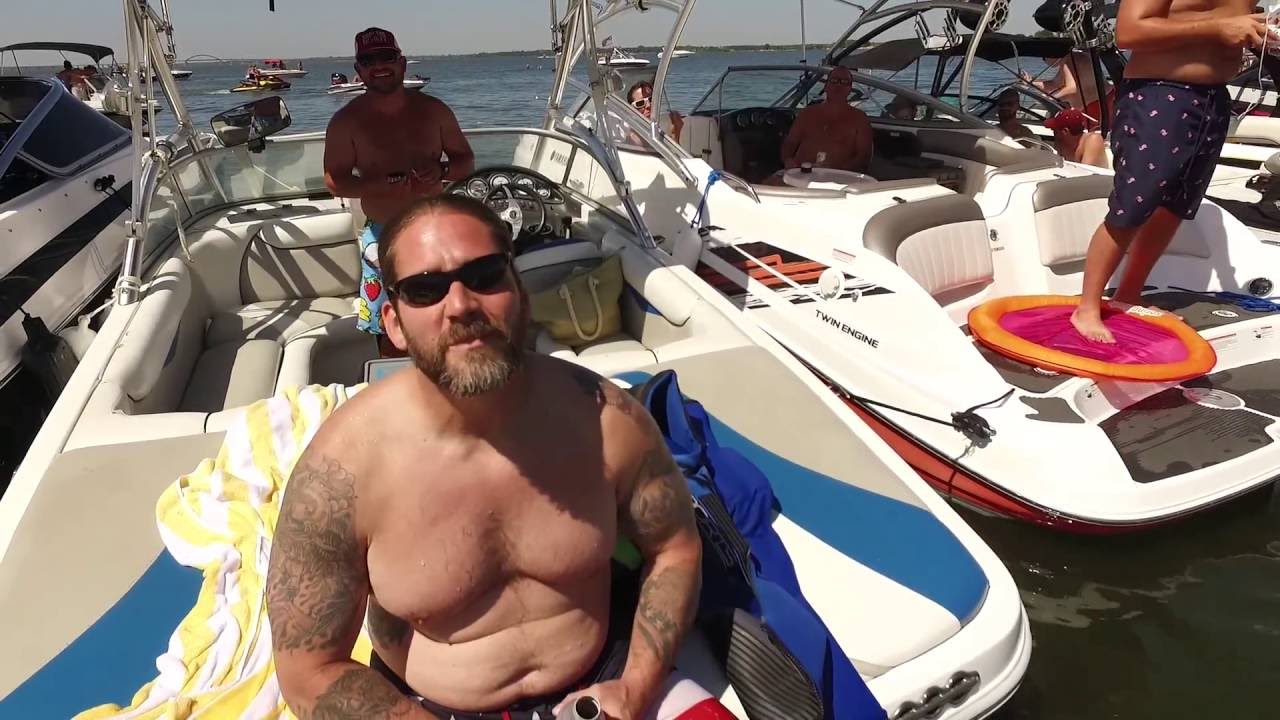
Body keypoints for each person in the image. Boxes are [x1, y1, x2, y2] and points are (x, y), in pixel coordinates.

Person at [265, 194, 735, 720]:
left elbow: (674, 549)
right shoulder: (343, 473)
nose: (461, 305)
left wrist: (634, 688)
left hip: (607, 682)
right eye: (425, 289)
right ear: (394, 323)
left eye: (485, 275)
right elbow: (307, 672)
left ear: (520, 293)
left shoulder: (607, 421)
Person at [1070, 0, 1269, 343]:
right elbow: (1128, 31)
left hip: (1214, 100)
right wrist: (1218, 28)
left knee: (1176, 206)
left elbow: (1232, 25)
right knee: (1133, 204)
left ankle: (1129, 294)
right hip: (1160, 93)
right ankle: (1087, 306)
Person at [323, 27, 476, 356]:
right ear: (359, 70)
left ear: (402, 63)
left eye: (387, 57)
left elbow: (465, 160)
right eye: (369, 60)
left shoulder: (435, 110)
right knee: (390, 330)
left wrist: (442, 171)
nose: (379, 66)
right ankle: (396, 379)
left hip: (436, 232)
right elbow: (334, 180)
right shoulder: (345, 122)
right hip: (383, 236)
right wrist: (374, 185)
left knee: (451, 317)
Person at [779, 66, 874, 175]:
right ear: (826, 86)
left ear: (850, 89)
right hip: (799, 173)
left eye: (844, 82)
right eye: (834, 81)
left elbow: (864, 156)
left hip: (838, 178)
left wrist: (840, 170)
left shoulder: (860, 119)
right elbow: (790, 143)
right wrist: (788, 160)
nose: (838, 85)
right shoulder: (806, 114)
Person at [1044, 107, 1108, 167]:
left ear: (1065, 131)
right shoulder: (1065, 145)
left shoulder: (1093, 140)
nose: (1053, 132)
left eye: (1055, 130)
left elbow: (1085, 173)